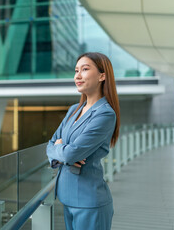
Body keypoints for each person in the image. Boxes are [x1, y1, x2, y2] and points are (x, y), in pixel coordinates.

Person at [46, 52, 120, 230]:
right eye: (76, 70)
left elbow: (72, 153)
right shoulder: (74, 109)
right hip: (67, 197)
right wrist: (61, 153)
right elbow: (50, 144)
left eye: (85, 69)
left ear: (102, 76)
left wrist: (63, 150)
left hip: (89, 202)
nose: (77, 76)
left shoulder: (105, 114)